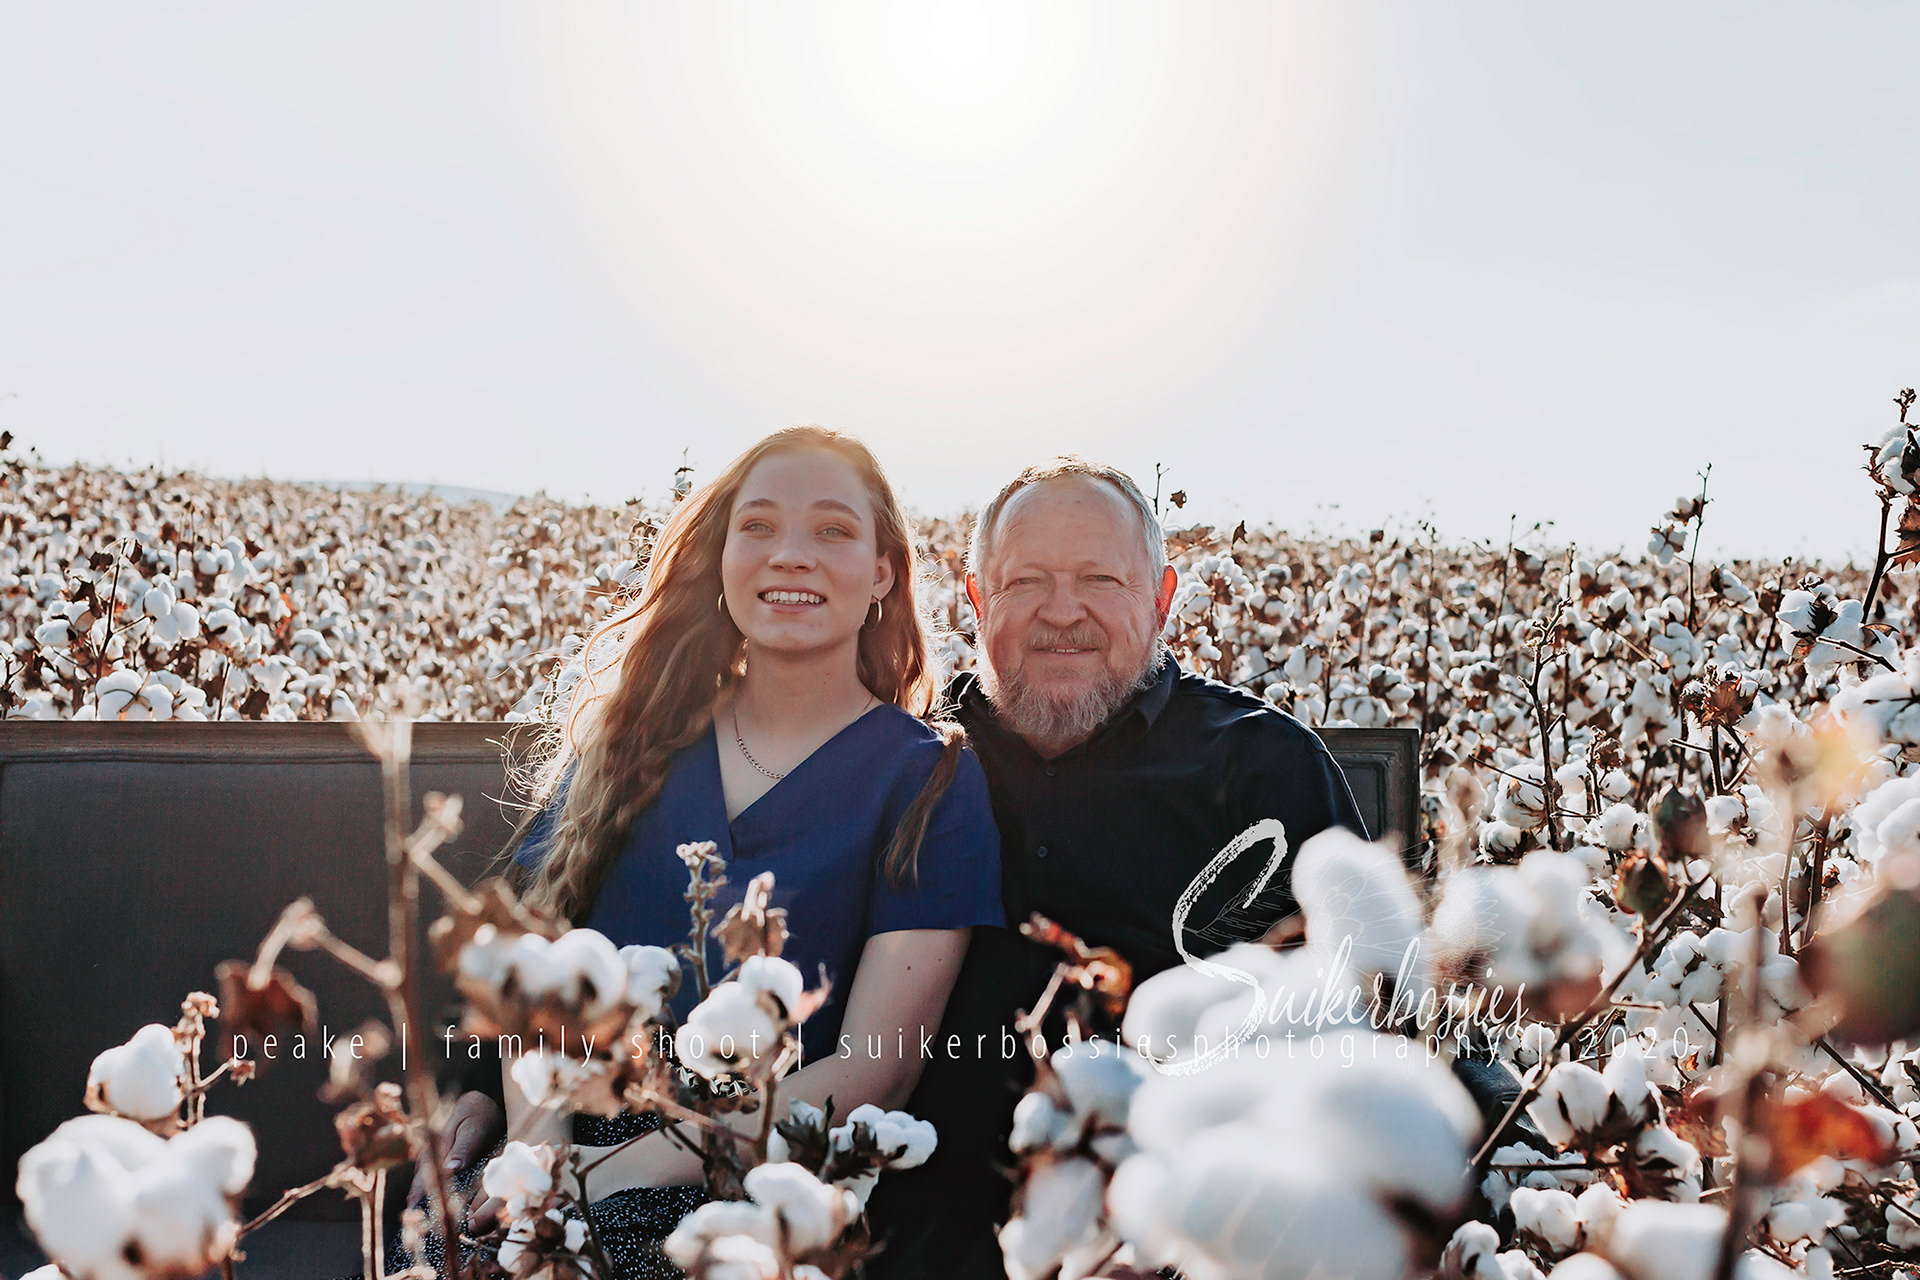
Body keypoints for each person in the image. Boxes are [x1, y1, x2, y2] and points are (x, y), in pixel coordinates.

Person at [402, 426, 1004, 1280]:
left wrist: (611, 1174)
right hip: (557, 1130)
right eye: (757, 526)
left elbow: (876, 1069)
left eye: (831, 530)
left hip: (751, 1169)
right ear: (721, 560)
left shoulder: (930, 781)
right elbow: (535, 975)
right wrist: (536, 1152)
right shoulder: (632, 741)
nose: (789, 554)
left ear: (883, 573)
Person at [862, 458, 1368, 1280]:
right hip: (911, 1248)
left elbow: (1350, 1036)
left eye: (1100, 577)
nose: (1064, 613)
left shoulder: (1263, 768)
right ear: (975, 597)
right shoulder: (905, 760)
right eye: (1026, 580)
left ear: (1163, 598)